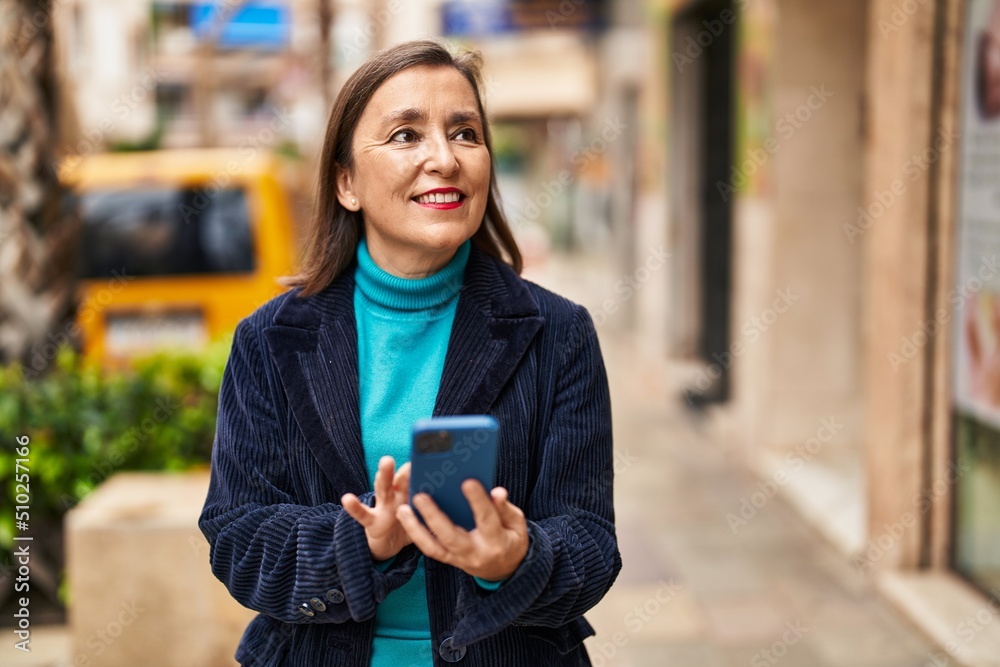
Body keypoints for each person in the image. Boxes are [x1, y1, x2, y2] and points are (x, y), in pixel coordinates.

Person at [199, 39, 621, 667]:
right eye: (405, 135)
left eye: (465, 133)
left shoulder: (559, 334)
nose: (444, 159)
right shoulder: (269, 340)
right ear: (346, 182)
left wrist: (516, 558)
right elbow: (237, 538)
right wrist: (359, 542)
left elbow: (591, 543)